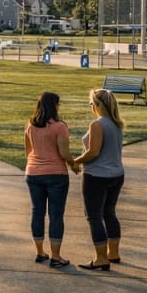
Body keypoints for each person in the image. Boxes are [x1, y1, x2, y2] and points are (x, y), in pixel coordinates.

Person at [73, 88, 126, 271]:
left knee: (94, 216)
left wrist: (74, 161)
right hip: (116, 174)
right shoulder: (117, 123)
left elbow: (93, 152)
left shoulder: (98, 125)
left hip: (97, 176)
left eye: (90, 104)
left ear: (96, 104)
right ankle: (113, 253)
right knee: (109, 213)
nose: (90, 107)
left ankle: (101, 258)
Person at [24, 92, 77, 268]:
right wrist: (74, 165)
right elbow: (63, 153)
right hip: (56, 175)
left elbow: (28, 151)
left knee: (37, 212)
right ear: (55, 106)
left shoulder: (30, 125)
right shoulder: (59, 127)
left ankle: (40, 252)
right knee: (55, 215)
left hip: (33, 173)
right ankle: (55, 256)